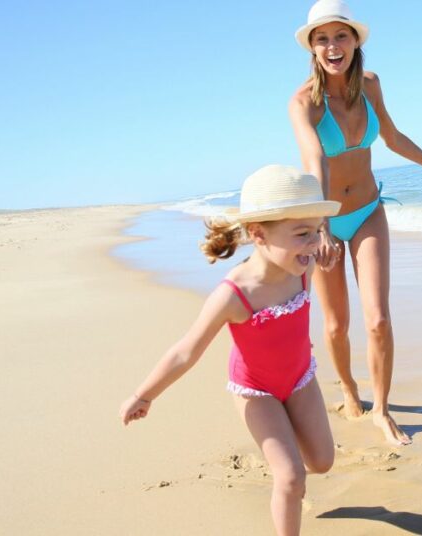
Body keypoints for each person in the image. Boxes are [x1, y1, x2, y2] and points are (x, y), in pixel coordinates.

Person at [119, 165, 341, 536]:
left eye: (317, 231)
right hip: (256, 392)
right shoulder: (234, 294)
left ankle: (289, 448)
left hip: (301, 378)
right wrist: (144, 395)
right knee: (291, 478)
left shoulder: (304, 267)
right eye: (302, 234)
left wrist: (319, 251)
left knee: (322, 461)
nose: (315, 243)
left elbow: (316, 255)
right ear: (258, 234)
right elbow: (185, 352)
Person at [288, 0, 422, 445]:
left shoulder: (370, 85)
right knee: (334, 326)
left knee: (379, 319)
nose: (332, 46)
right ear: (312, 47)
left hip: (368, 211)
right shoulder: (303, 102)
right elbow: (314, 163)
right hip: (324, 220)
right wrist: (322, 227)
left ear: (354, 41)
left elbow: (392, 136)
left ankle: (382, 409)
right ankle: (349, 389)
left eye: (340, 36)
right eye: (322, 38)